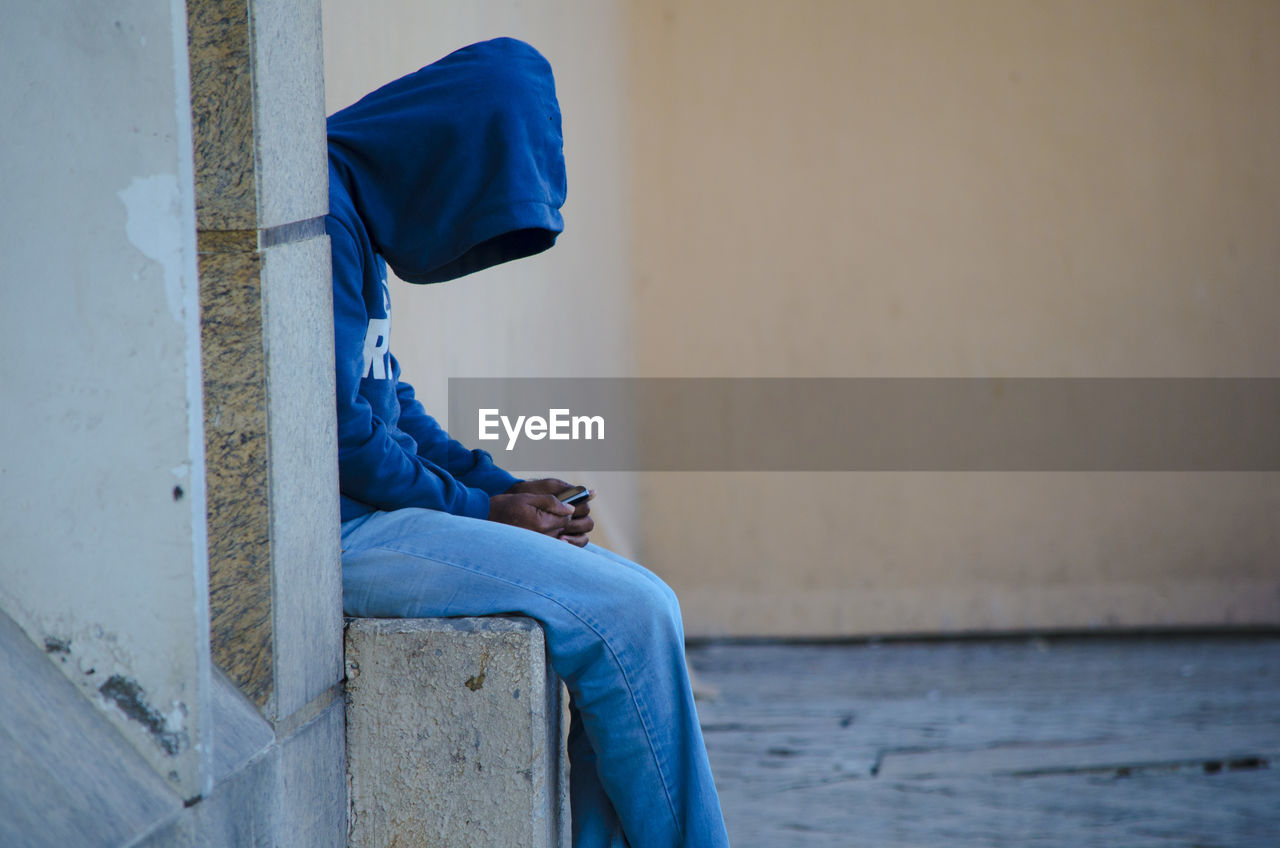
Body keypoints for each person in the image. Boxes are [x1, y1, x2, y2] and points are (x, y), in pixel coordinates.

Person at [326, 38, 730, 848]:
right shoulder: (323, 209)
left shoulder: (352, 213)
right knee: (632, 612)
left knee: (630, 604)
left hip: (373, 516)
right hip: (330, 534)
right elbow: (337, 435)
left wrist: (511, 493)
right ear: (452, 150)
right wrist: (482, 508)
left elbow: (389, 406)